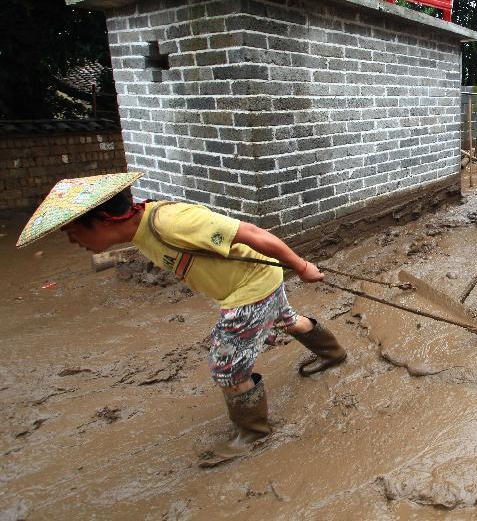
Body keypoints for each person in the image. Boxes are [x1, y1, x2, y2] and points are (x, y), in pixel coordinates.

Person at [15, 173, 347, 467]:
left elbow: (250, 232)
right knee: (286, 319)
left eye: (73, 233)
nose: (74, 242)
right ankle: (333, 353)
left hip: (249, 289)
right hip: (255, 279)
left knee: (226, 366)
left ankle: (254, 432)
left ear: (103, 219)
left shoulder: (172, 222)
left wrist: (301, 266)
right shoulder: (141, 228)